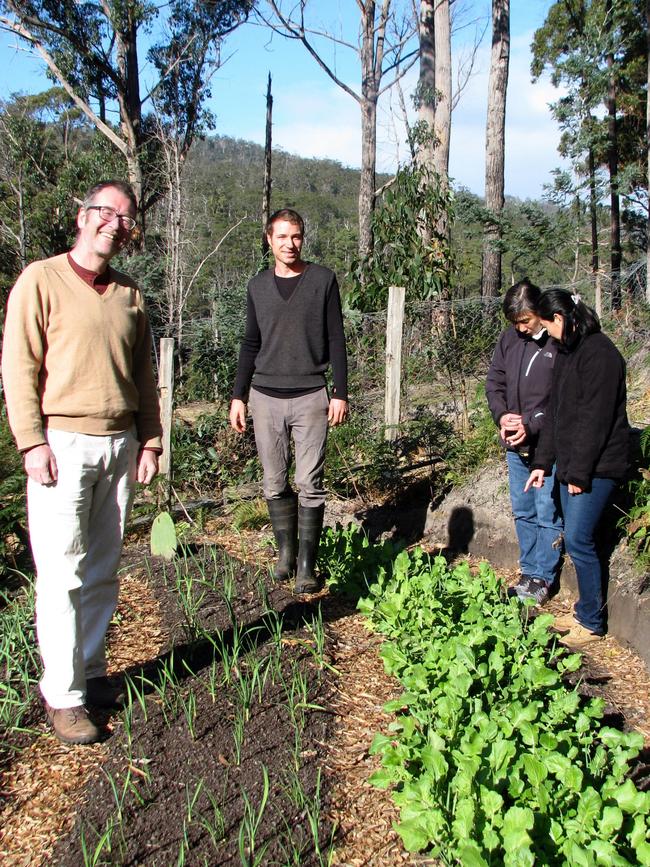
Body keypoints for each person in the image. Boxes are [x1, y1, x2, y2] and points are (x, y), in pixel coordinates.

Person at [1, 180, 162, 744]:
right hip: (61, 445)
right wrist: (31, 441)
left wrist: (150, 440)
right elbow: (18, 366)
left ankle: (91, 674)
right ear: (82, 215)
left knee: (101, 570)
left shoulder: (130, 295)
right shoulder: (40, 280)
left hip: (120, 446)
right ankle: (64, 696)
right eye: (105, 212)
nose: (114, 223)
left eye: (125, 218)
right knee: (63, 572)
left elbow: (144, 376)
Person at [230, 208, 348, 593]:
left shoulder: (323, 280)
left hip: (312, 395)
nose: (289, 244)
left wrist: (340, 392)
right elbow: (250, 343)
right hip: (264, 397)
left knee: (309, 482)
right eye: (281, 237)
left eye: (295, 236)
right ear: (269, 240)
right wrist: (238, 395)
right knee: (274, 481)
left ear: (303, 238)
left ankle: (306, 568)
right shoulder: (257, 287)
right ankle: (285, 554)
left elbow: (336, 339)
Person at [525, 289, 629, 641]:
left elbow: (594, 421)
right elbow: (556, 416)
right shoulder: (568, 352)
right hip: (574, 464)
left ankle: (591, 622)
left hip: (597, 466)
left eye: (545, 326)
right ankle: (586, 610)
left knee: (579, 538)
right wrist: (543, 463)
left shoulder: (600, 355)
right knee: (579, 539)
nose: (544, 334)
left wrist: (580, 474)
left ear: (560, 319)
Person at [486, 279, 563, 606]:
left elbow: (561, 399)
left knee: (546, 509)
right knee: (523, 510)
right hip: (514, 445)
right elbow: (494, 383)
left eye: (525, 321)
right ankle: (529, 570)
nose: (520, 328)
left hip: (546, 445)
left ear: (540, 312)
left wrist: (531, 424)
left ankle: (544, 577)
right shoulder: (509, 339)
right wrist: (503, 416)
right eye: (515, 322)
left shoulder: (557, 344)